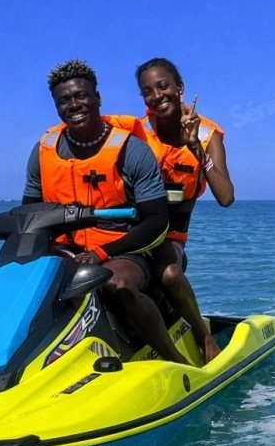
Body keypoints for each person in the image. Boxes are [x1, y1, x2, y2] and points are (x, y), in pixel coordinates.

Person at [21, 58, 196, 366]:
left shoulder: (131, 150)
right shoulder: (43, 149)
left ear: (97, 98)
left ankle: (173, 360)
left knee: (114, 284)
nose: (74, 104)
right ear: (56, 106)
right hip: (66, 249)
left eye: (81, 96)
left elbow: (157, 221)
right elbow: (29, 212)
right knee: (25, 282)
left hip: (124, 250)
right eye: (64, 100)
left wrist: (102, 253)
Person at [128, 57, 235, 362]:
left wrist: (196, 151)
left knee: (171, 274)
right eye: (147, 91)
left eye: (163, 86)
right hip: (133, 229)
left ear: (179, 88)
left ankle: (203, 335)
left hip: (171, 235)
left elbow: (226, 197)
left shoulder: (207, 135)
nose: (157, 96)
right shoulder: (136, 133)